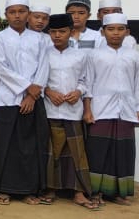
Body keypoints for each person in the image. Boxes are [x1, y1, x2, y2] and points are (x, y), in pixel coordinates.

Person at [0, 0, 50, 206]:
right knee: (4, 145)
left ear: (28, 14)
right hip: (7, 99)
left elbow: (44, 66)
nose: (17, 15)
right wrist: (26, 88)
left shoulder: (41, 39)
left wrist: (32, 95)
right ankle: (3, 188)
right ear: (6, 15)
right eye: (12, 12)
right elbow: (0, 68)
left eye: (21, 11)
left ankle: (28, 190)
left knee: (30, 146)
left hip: (34, 100)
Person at [42, 14, 96, 209]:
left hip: (73, 110)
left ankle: (79, 192)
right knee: (52, 151)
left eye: (62, 32)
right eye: (53, 32)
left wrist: (78, 92)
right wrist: (48, 92)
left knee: (76, 152)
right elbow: (38, 80)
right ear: (49, 33)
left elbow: (85, 81)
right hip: (51, 109)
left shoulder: (81, 55)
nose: (57, 35)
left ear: (71, 32)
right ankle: (50, 189)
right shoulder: (44, 54)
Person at [85, 13, 138, 207]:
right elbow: (88, 84)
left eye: (120, 29)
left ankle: (118, 193)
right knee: (98, 151)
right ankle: (96, 192)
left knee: (123, 151)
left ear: (127, 32)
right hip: (101, 110)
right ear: (102, 31)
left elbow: (138, 84)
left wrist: (138, 108)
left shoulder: (133, 55)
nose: (115, 33)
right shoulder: (94, 55)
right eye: (111, 29)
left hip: (126, 109)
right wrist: (88, 110)